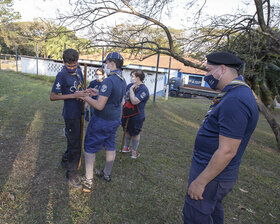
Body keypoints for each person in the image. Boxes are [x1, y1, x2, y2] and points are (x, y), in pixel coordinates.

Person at [182, 52, 259, 224]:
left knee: (196, 216)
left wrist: (200, 182)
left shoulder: (236, 100)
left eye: (209, 71)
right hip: (213, 173)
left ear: (222, 69)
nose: (206, 75)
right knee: (213, 213)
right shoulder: (234, 94)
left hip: (211, 177)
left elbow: (227, 150)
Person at [79, 52, 127, 192]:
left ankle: (88, 180)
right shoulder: (122, 79)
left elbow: (99, 106)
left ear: (112, 63)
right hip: (115, 119)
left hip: (102, 120)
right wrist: (97, 92)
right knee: (110, 145)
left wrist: (85, 97)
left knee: (90, 147)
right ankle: (107, 174)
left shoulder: (108, 80)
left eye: (107, 63)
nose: (106, 65)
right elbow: (114, 97)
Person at [50, 48, 87, 188]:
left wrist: (85, 92)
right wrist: (74, 96)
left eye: (74, 64)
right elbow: (53, 96)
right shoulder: (62, 75)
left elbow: (79, 88)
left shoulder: (78, 71)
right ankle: (72, 175)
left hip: (79, 112)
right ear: (63, 62)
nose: (72, 68)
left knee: (73, 141)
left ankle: (65, 160)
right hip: (70, 115)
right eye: (69, 65)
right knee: (75, 145)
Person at [121, 70, 150, 159]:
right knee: (127, 130)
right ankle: (126, 147)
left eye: (132, 76)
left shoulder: (143, 89)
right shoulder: (129, 85)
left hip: (137, 116)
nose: (131, 78)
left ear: (138, 78)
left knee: (135, 133)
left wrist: (131, 90)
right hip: (127, 113)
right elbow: (124, 97)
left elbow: (134, 101)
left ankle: (134, 151)